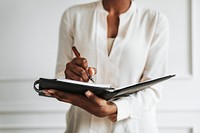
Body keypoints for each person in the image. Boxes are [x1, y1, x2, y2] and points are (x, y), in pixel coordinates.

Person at [44, 0, 169, 132]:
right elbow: (60, 76)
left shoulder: (155, 21)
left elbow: (153, 89)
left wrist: (115, 108)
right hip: (82, 127)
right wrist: (72, 76)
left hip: (135, 128)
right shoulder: (73, 16)